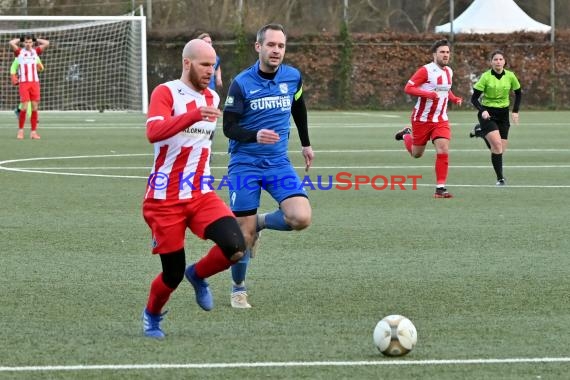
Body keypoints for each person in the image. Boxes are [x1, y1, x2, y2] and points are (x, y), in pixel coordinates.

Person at [141, 39, 246, 339]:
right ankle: (152, 315)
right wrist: (192, 115)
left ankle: (198, 275)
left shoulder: (213, 96)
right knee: (171, 275)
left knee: (236, 247)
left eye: (213, 65)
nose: (210, 71)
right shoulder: (166, 92)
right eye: (204, 64)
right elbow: (153, 132)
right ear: (187, 63)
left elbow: (202, 146)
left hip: (200, 194)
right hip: (164, 199)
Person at [223, 23, 314, 308]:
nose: (276, 51)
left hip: (277, 163)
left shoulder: (292, 77)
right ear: (258, 47)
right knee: (242, 240)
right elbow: (228, 126)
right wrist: (254, 135)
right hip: (244, 164)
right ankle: (238, 288)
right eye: (271, 45)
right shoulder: (241, 83)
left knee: (301, 218)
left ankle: (260, 222)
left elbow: (298, 107)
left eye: (281, 46)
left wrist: (306, 143)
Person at [394, 39, 463, 198]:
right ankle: (406, 134)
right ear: (434, 54)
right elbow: (408, 88)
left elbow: (446, 90)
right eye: (442, 52)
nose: (445, 55)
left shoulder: (449, 71)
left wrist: (454, 98)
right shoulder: (425, 71)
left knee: (443, 148)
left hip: (441, 119)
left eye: (447, 52)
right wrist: (428, 94)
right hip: (422, 119)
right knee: (416, 154)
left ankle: (440, 188)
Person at [469, 50, 521, 186]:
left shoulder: (510, 76)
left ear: (504, 61)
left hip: (503, 114)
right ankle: (500, 179)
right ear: (491, 62)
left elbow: (518, 93)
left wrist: (515, 111)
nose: (498, 61)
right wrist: (483, 110)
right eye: (495, 59)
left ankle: (480, 132)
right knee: (497, 146)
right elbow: (474, 99)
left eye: (500, 59)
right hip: (488, 114)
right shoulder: (486, 77)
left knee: (500, 150)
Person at [9, 34, 49, 140]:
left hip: (35, 83)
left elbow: (46, 43)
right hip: (24, 83)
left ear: (33, 43)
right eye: (26, 42)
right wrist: (21, 39)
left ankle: (33, 132)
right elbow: (11, 43)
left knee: (35, 107)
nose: (28, 44)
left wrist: (36, 39)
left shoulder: (36, 51)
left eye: (30, 42)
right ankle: (21, 131)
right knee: (24, 107)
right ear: (23, 43)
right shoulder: (19, 52)